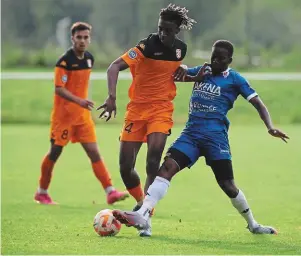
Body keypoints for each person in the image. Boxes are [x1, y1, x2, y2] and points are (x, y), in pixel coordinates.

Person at [111, 40, 289, 235]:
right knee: (166, 168)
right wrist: (187, 69)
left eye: (221, 59)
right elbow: (179, 73)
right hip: (191, 135)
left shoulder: (235, 79)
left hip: (215, 138)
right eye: (213, 57)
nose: (215, 62)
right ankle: (143, 214)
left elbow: (258, 103)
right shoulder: (203, 71)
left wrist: (270, 126)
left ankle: (253, 224)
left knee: (227, 185)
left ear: (229, 60)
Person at [97, 4, 196, 236]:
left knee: (153, 160)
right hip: (136, 111)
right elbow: (114, 67)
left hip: (161, 111)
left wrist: (187, 72)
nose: (163, 34)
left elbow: (171, 75)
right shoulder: (145, 46)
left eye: (168, 30)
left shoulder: (181, 50)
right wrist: (111, 97)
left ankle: (146, 216)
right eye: (160, 28)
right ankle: (142, 200)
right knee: (125, 167)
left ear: (177, 31)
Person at [34, 22, 129, 205]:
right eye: (79, 37)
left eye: (86, 37)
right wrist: (80, 101)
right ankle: (41, 191)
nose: (83, 41)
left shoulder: (89, 59)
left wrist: (82, 104)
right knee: (54, 153)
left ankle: (110, 191)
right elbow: (59, 89)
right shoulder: (64, 62)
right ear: (72, 39)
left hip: (82, 117)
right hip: (63, 118)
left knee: (94, 152)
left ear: (89, 39)